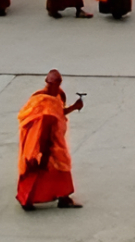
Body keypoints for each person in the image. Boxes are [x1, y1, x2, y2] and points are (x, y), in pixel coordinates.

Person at [16, 69, 83, 210]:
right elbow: (43, 125)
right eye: (53, 83)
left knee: (61, 167)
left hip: (56, 139)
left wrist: (74, 107)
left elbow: (59, 112)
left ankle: (63, 197)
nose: (56, 86)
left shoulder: (58, 95)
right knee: (37, 167)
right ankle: (26, 199)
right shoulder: (41, 101)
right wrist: (42, 148)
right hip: (44, 140)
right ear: (48, 82)